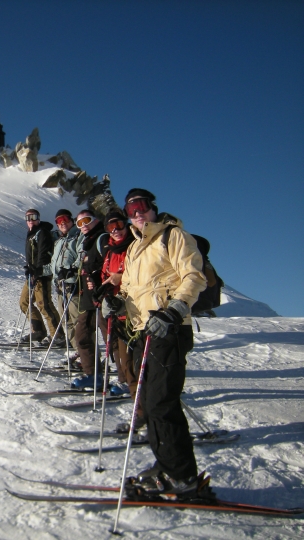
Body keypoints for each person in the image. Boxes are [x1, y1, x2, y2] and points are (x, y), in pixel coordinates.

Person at [112, 188, 207, 496]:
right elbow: (129, 291)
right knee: (150, 405)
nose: (137, 213)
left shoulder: (173, 236)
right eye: (131, 209)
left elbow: (194, 275)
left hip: (169, 330)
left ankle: (182, 476)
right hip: (143, 333)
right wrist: (117, 304)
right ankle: (167, 467)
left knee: (161, 403)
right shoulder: (135, 249)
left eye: (142, 206)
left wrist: (174, 310)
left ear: (152, 208)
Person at [96, 209, 136, 399]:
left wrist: (121, 278)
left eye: (119, 225)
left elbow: (141, 273)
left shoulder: (135, 245)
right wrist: (103, 290)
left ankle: (134, 384)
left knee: (129, 351)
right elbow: (105, 273)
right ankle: (125, 381)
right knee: (119, 348)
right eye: (111, 227)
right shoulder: (110, 251)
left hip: (133, 306)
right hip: (116, 305)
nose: (116, 230)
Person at [70, 209, 108, 389]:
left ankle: (127, 380)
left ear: (96, 219)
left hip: (104, 296)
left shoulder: (102, 238)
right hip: (88, 298)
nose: (83, 225)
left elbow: (110, 264)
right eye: (79, 223)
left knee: (112, 340)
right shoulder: (87, 242)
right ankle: (93, 375)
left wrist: (98, 279)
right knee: (82, 335)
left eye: (86, 220)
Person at [18, 209, 61, 344]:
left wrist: (38, 270)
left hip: (41, 274)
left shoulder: (42, 232)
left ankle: (58, 335)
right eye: (28, 217)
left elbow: (43, 253)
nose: (31, 220)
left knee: (44, 304)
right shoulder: (31, 234)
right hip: (32, 274)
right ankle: (38, 331)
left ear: (38, 218)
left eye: (34, 217)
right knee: (24, 302)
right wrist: (29, 269)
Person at [42, 209, 79, 348]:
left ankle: (87, 356)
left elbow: (82, 259)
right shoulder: (59, 241)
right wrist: (39, 270)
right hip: (60, 286)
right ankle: (77, 350)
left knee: (77, 321)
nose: (62, 223)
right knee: (66, 320)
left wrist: (71, 271)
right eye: (58, 221)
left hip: (73, 286)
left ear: (72, 220)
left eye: (65, 219)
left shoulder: (78, 237)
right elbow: (53, 264)